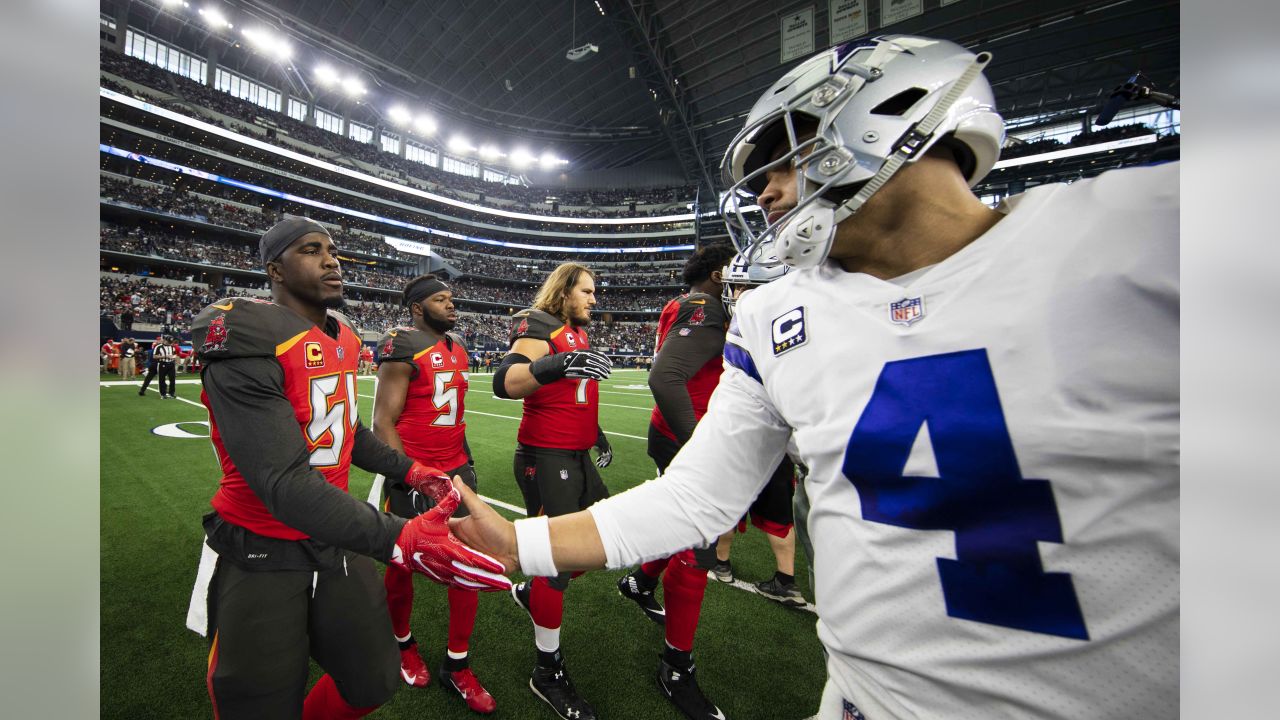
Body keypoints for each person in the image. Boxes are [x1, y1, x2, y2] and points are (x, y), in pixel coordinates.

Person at [452, 35, 1178, 720]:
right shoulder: (776, 313)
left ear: (879, 118)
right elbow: (697, 497)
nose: (765, 194)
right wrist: (522, 546)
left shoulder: (1148, 231)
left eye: (779, 162)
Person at [187, 216, 510, 720]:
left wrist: (411, 470)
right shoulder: (248, 335)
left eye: (333, 250)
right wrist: (400, 537)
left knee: (373, 678)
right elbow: (283, 483)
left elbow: (347, 431)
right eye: (312, 250)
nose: (332, 260)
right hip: (261, 544)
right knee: (256, 704)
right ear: (275, 269)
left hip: (332, 533)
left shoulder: (343, 336)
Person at [612, 243, 736, 720]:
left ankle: (640, 581)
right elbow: (666, 378)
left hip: (674, 429)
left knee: (680, 523)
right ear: (715, 272)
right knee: (698, 548)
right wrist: (696, 444)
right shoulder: (705, 306)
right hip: (686, 433)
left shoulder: (682, 302)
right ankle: (676, 666)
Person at [491, 262, 614, 720]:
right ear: (563, 293)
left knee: (600, 546)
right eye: (586, 291)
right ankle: (547, 670)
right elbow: (505, 382)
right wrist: (558, 361)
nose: (593, 299)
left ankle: (532, 591)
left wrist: (595, 431)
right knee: (558, 561)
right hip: (546, 458)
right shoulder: (540, 324)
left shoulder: (577, 332)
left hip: (576, 455)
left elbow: (572, 393)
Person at [371, 275, 497, 714]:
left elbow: (454, 418)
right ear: (417, 307)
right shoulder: (402, 344)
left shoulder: (458, 345)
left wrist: (466, 464)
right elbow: (383, 421)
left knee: (468, 564)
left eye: (452, 298)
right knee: (403, 562)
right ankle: (402, 643)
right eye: (441, 300)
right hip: (413, 472)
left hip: (456, 472)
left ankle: (456, 665)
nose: (452, 306)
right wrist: (410, 477)